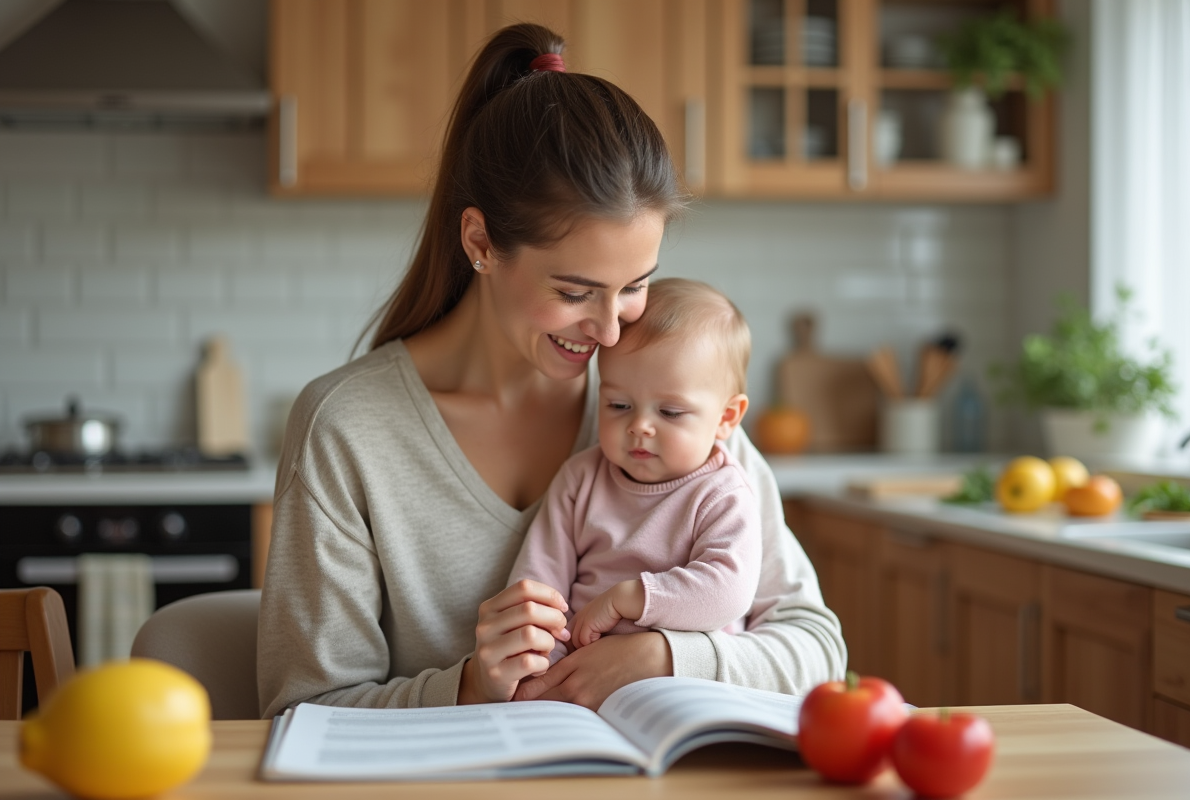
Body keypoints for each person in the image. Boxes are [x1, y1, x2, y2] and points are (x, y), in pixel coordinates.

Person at [257, 22, 846, 718]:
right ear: (480, 241)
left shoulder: (664, 400)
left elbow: (816, 650)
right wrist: (472, 684)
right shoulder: (349, 430)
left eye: (634, 286)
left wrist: (662, 654)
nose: (610, 330)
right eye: (574, 293)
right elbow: (304, 711)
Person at [507, 279, 762, 674]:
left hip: (686, 687)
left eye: (670, 413)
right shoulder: (580, 479)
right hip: (576, 683)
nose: (640, 426)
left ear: (726, 417)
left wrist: (630, 598)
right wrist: (545, 667)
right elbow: (540, 583)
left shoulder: (724, 493)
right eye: (619, 404)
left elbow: (728, 592)